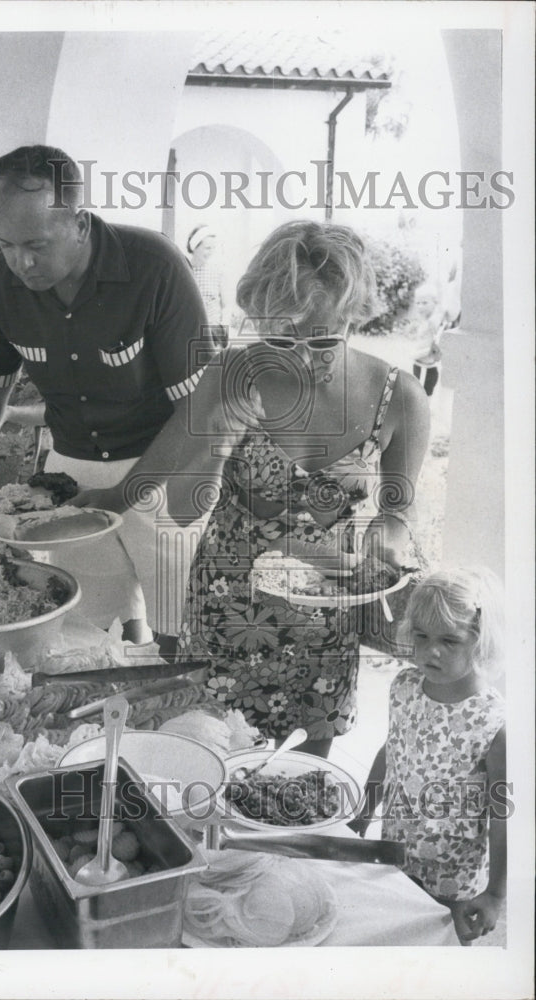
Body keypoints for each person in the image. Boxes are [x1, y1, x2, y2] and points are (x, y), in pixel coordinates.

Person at [0, 144, 211, 652]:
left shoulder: (154, 266)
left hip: (168, 470)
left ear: (81, 223)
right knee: (93, 632)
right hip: (72, 475)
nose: (20, 263)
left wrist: (127, 492)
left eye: (36, 245)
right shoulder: (0, 286)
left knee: (178, 632)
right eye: (5, 245)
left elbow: (200, 414)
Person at [168, 220, 430, 755]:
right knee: (208, 756)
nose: (299, 356)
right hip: (228, 602)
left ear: (355, 316)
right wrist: (216, 442)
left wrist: (389, 542)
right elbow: (177, 509)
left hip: (328, 613)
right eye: (281, 336)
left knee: (303, 777)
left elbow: (397, 512)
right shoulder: (230, 372)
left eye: (322, 338)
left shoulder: (398, 396)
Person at [349, 567, 506, 946]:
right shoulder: (404, 686)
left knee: (442, 945)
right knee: (398, 933)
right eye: (421, 636)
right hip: (397, 849)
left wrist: (496, 894)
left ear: (481, 641)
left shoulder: (494, 722)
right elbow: (391, 751)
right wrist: (363, 815)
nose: (429, 651)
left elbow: (504, 814)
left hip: (453, 872)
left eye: (449, 641)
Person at [186, 224, 228, 349]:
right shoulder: (185, 269)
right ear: (195, 247)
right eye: (207, 248)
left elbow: (226, 305)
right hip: (190, 330)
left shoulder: (217, 271)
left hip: (213, 333)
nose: (211, 252)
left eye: (213, 248)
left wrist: (223, 331)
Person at [409, 281, 446, 397]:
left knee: (423, 394)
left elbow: (442, 312)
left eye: (425, 303)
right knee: (418, 394)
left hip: (427, 366)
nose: (420, 306)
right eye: (418, 303)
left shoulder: (433, 321)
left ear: (435, 303)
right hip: (419, 364)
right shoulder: (423, 320)